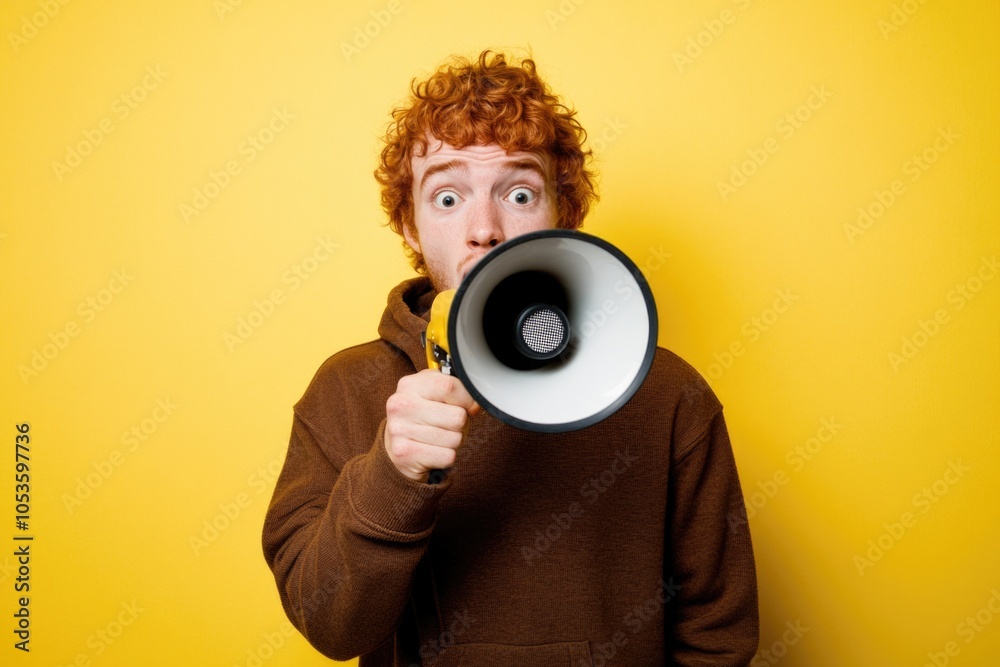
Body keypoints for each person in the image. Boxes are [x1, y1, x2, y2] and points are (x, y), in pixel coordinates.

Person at [262, 49, 759, 666]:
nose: (485, 229)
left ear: (563, 214)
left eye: (520, 193)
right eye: (447, 198)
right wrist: (394, 473)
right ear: (410, 226)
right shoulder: (347, 388)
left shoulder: (668, 393)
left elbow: (718, 634)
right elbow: (329, 627)